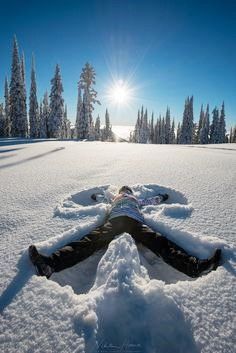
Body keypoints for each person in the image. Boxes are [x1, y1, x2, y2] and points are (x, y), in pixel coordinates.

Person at [29, 185, 221, 279]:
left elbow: (151, 201)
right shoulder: (116, 198)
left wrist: (162, 197)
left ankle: (194, 267)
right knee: (89, 241)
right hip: (118, 221)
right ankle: (50, 264)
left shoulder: (136, 201)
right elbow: (104, 196)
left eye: (126, 191)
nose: (125, 193)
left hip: (132, 222)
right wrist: (96, 195)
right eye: (124, 191)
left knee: (159, 242)